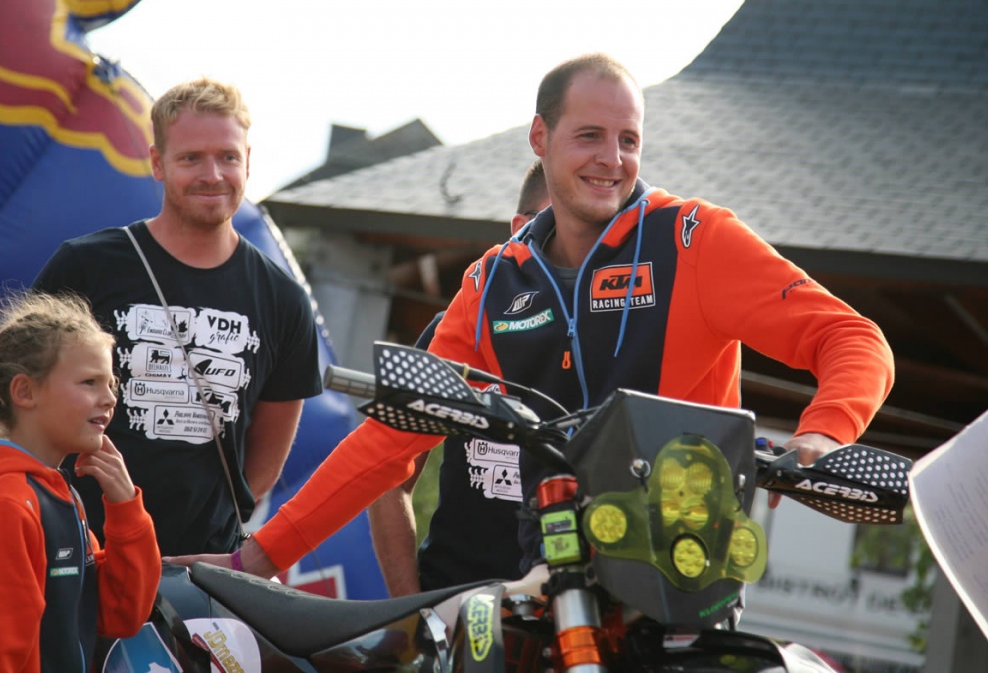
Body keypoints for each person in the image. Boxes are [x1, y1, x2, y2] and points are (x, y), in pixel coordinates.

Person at [169, 52, 895, 580]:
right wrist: (256, 558)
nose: (613, 159)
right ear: (540, 140)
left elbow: (851, 337)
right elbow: (393, 438)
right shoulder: (494, 280)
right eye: (590, 136)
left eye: (629, 140)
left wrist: (824, 430)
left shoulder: (694, 239)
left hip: (672, 580)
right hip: (538, 580)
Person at [32, 77, 322, 555]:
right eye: (191, 158)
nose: (213, 174)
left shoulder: (284, 299)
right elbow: (21, 399)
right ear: (157, 163)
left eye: (228, 157)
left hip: (196, 566)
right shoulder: (86, 266)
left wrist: (213, 536)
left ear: (248, 161)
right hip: (75, 550)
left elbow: (265, 460)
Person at [0, 292, 161, 673]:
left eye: (112, 384)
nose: (109, 399)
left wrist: (126, 510)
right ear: (25, 392)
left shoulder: (57, 496)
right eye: (90, 382)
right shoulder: (6, 506)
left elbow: (119, 614)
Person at [367, 160, 550, 596]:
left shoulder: (619, 342)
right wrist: (412, 612)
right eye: (560, 224)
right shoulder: (454, 331)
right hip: (454, 603)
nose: (579, 244)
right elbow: (386, 477)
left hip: (571, 611)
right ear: (520, 229)